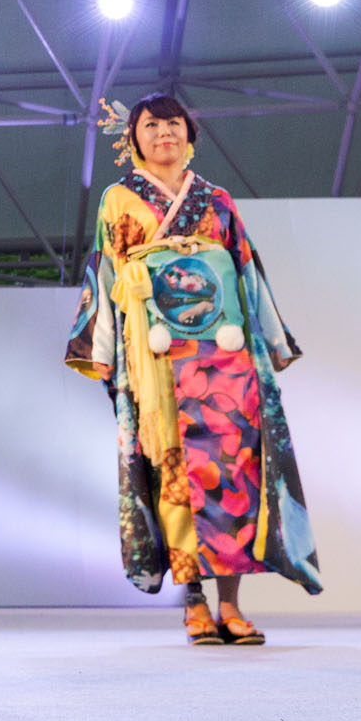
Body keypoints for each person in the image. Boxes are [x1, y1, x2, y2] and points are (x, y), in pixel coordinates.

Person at [64, 93, 320, 643]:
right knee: (173, 469)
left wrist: (272, 340)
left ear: (190, 134)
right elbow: (106, 273)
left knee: (233, 468)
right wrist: (100, 349)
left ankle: (231, 603)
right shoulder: (118, 198)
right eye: (151, 125)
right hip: (156, 352)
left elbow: (246, 270)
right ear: (134, 139)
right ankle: (195, 600)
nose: (164, 133)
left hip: (224, 351)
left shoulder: (217, 200)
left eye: (173, 123)